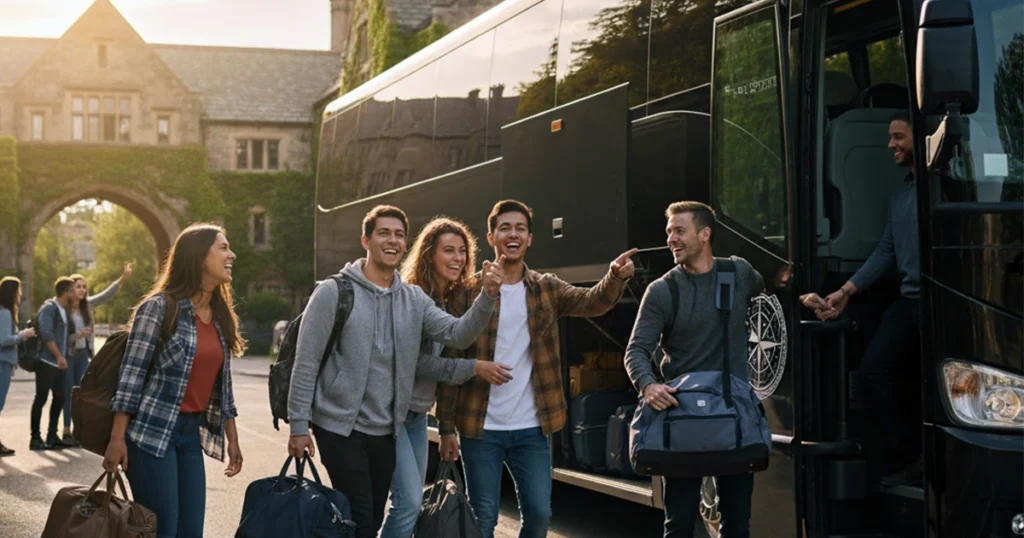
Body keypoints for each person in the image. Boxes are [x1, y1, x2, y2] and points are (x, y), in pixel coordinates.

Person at [287, 205, 512, 538]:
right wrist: (298, 424)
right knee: (361, 517)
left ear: (405, 244)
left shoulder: (413, 298)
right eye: (383, 233)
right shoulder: (333, 292)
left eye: (398, 234)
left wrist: (488, 295)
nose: (392, 240)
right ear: (366, 239)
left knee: (375, 517)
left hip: (386, 429)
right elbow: (306, 362)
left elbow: (458, 333)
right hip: (338, 425)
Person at [435, 199, 637, 538]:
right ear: (491, 237)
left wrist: (614, 278)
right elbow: (452, 360)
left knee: (539, 515)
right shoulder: (469, 291)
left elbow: (592, 302)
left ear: (529, 239)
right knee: (483, 518)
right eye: (505, 228)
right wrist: (445, 428)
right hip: (480, 426)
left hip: (532, 427)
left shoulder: (546, 287)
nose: (512, 234)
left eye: (520, 229)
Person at [624, 201, 764, 538]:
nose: (671, 238)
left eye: (679, 230)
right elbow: (636, 350)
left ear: (705, 234)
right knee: (680, 525)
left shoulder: (739, 274)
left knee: (737, 524)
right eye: (669, 231)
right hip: (683, 418)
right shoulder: (661, 290)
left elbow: (774, 285)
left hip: (732, 416)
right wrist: (649, 386)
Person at [800, 110, 921, 482]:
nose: (891, 145)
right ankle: (908, 454)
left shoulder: (949, 188)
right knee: (872, 374)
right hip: (909, 302)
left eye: (899, 136)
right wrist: (845, 291)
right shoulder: (902, 191)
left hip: (941, 303)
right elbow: (886, 250)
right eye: (890, 137)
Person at [103, 223, 244, 538]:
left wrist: (232, 439)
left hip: (190, 435)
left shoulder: (219, 315)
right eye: (223, 247)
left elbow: (224, 386)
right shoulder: (158, 308)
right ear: (198, 257)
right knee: (163, 530)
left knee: (191, 531)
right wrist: (117, 439)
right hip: (152, 434)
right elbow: (131, 377)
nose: (231, 254)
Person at [379, 216, 487, 538]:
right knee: (408, 504)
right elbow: (413, 362)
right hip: (393, 414)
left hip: (417, 415)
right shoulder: (412, 296)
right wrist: (473, 368)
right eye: (449, 251)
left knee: (410, 507)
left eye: (462, 251)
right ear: (430, 254)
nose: (458, 258)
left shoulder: (447, 298)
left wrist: (445, 428)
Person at [62, 263, 134, 445]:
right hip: (68, 355)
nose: (82, 290)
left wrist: (123, 278)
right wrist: (76, 335)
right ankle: (66, 430)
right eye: (78, 286)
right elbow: (59, 336)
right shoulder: (64, 309)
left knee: (84, 394)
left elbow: (106, 295)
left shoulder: (88, 305)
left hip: (83, 355)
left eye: (84, 286)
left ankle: (80, 431)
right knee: (68, 393)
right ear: (70, 289)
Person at [31, 277, 75, 451]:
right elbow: (47, 334)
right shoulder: (49, 309)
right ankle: (35, 438)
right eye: (72, 290)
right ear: (65, 292)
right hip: (47, 361)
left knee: (60, 398)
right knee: (41, 398)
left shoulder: (63, 310)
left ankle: (51, 436)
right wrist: (59, 356)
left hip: (59, 363)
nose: (74, 294)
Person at [0, 277, 37, 456]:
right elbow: (3, 340)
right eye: (19, 290)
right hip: (2, 363)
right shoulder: (5, 313)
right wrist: (24, 334)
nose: (20, 294)